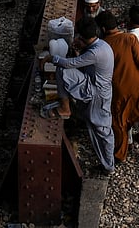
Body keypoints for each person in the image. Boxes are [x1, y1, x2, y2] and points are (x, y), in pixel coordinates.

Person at [42, 16, 115, 173]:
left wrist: (52, 58)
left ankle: (109, 165)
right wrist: (79, 49)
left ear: (84, 36)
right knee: (96, 126)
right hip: (97, 89)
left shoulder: (96, 52)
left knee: (102, 130)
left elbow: (70, 64)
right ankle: (107, 164)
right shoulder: (101, 45)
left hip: (97, 94)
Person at [98, 11, 139, 163]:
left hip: (120, 92)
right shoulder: (130, 38)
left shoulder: (102, 46)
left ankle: (120, 155)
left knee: (120, 123)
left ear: (102, 29)